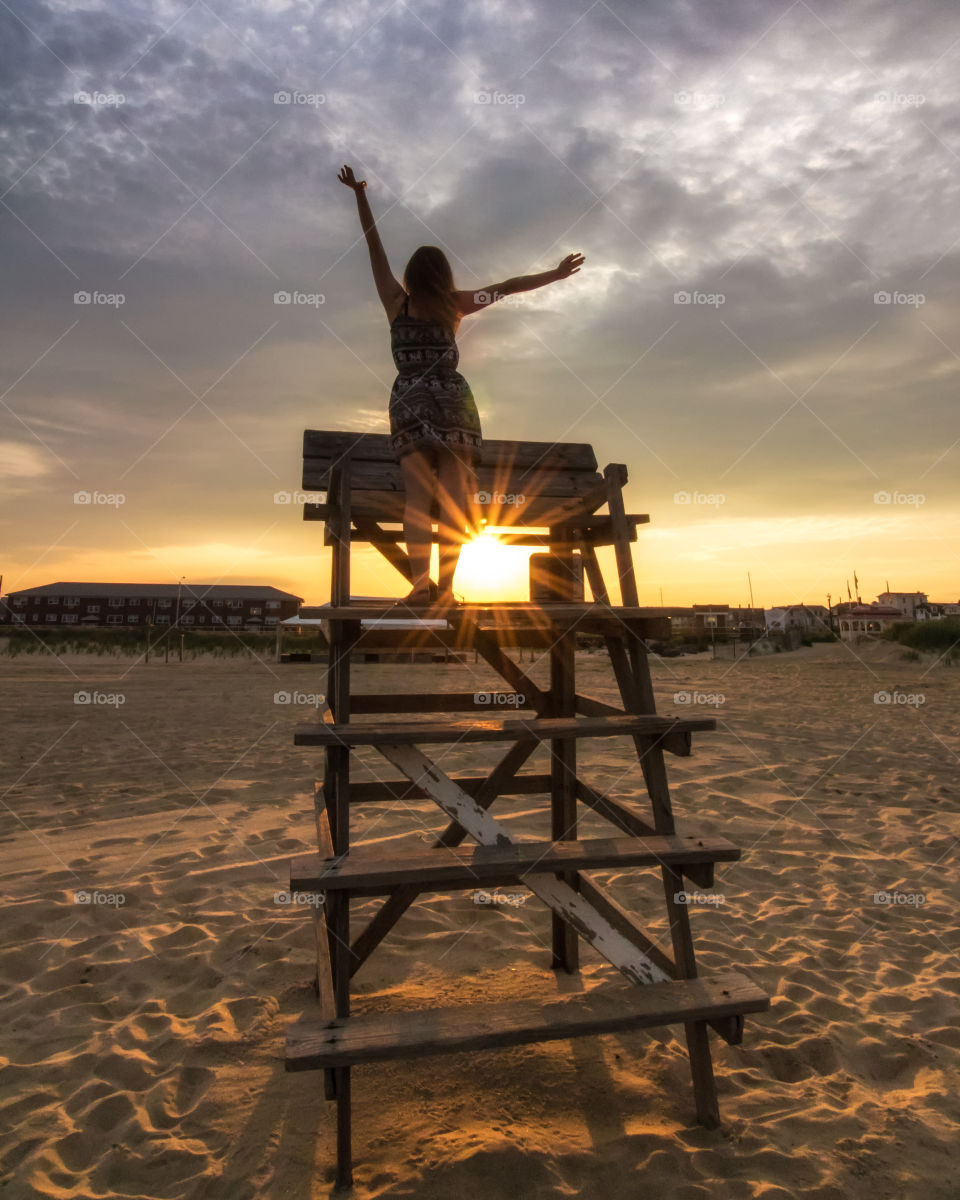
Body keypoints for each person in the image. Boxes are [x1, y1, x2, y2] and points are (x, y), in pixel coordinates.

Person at [338, 163, 585, 607]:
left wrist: (360, 195)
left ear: (412, 277)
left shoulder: (398, 303)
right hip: (454, 406)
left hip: (411, 404)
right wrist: (555, 274)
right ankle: (447, 590)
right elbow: (507, 287)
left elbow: (372, 247)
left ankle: (419, 586)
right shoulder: (456, 305)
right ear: (443, 276)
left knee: (417, 499)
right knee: (453, 499)